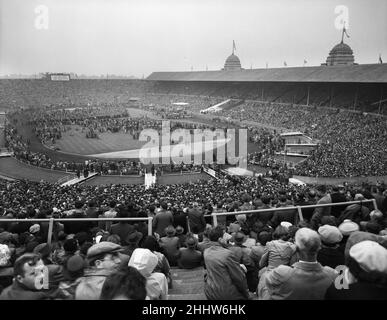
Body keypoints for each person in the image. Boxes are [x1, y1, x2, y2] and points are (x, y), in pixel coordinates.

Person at [262, 228, 337, 300]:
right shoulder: (332, 274)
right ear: (319, 247)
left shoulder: (281, 273)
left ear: (296, 248)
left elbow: (270, 289)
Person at [203, 226, 249, 300]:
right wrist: (246, 294)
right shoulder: (228, 254)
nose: (228, 238)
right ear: (220, 239)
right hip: (226, 294)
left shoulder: (206, 252)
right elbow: (239, 278)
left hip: (211, 291)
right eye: (225, 236)